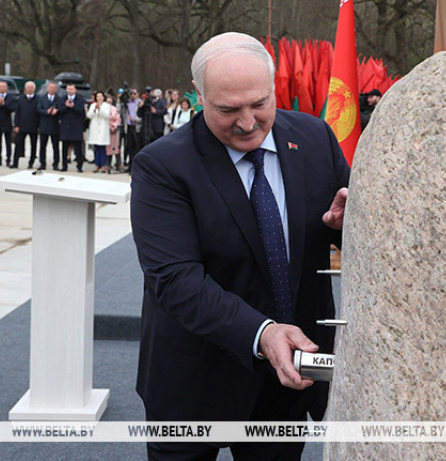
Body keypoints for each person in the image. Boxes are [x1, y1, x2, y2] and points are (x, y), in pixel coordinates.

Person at [131, 32, 349, 460]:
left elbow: (344, 230)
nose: (248, 123)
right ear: (199, 96)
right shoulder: (162, 166)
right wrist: (262, 333)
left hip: (288, 376)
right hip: (195, 378)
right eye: (228, 110)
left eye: (260, 104)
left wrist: (346, 227)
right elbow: (175, 280)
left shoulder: (315, 138)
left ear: (273, 88)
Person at [11, 81, 39, 169]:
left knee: (33, 145)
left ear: (34, 89)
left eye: (31, 87)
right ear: (25, 89)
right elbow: (17, 113)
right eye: (28, 87)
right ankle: (15, 162)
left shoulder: (38, 99)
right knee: (18, 144)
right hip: (22, 126)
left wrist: (39, 126)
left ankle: (31, 162)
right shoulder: (21, 99)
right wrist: (16, 125)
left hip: (34, 126)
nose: (29, 89)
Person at [58, 83, 85, 172]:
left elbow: (81, 112)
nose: (70, 91)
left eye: (72, 89)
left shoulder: (80, 99)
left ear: (75, 90)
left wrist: (73, 107)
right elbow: (60, 111)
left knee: (78, 149)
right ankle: (64, 165)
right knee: (64, 148)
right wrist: (66, 106)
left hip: (76, 127)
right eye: (68, 89)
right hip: (65, 127)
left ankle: (79, 166)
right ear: (66, 90)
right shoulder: (62, 99)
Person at [86, 91, 111, 173]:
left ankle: (103, 165)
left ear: (103, 97)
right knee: (96, 148)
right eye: (98, 96)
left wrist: (99, 110)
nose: (99, 98)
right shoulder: (93, 105)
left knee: (102, 148)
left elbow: (106, 115)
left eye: (101, 96)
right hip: (94, 129)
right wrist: (94, 109)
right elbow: (89, 115)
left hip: (103, 129)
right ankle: (97, 165)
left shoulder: (107, 106)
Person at [106, 90, 122, 172]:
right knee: (108, 147)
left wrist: (114, 126)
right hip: (106, 130)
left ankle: (118, 164)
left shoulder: (114, 108)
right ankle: (107, 164)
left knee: (116, 147)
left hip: (115, 130)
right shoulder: (104, 108)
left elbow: (118, 118)